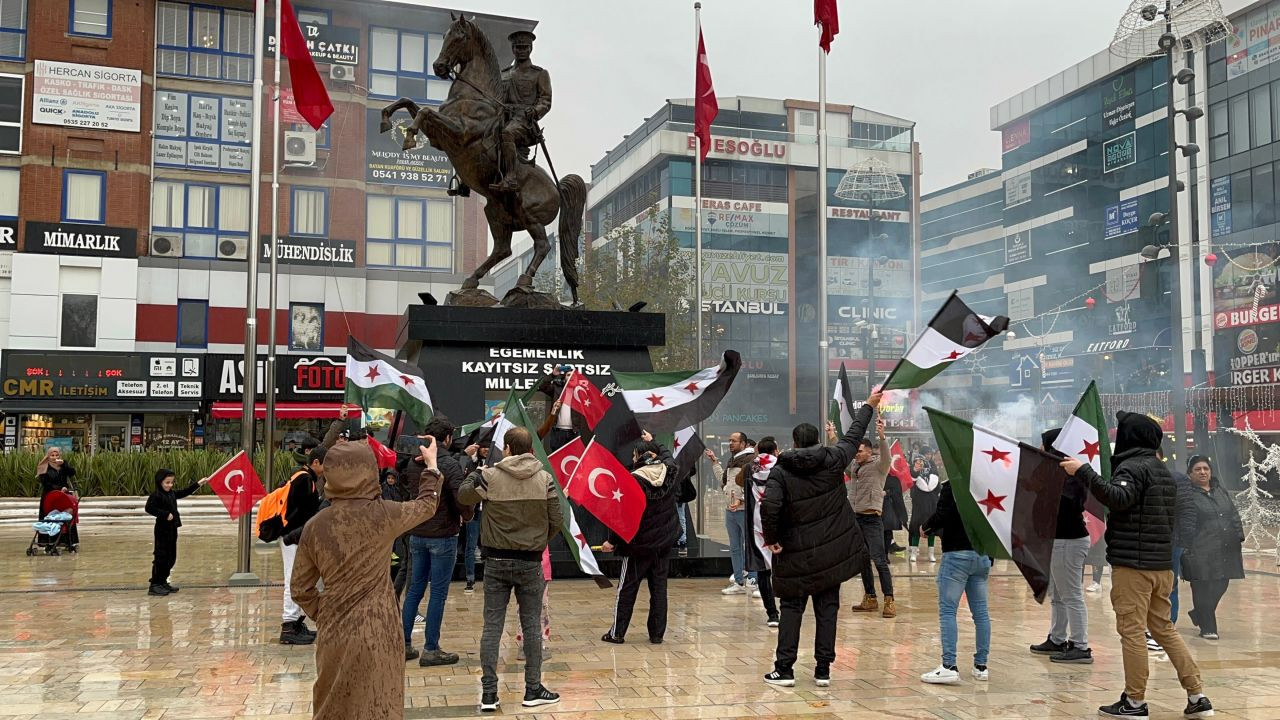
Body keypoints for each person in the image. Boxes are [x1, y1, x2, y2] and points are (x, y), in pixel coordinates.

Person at [1061, 411, 1214, 719]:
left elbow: (1118, 497)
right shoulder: (1161, 469)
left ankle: (1134, 703)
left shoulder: (1131, 467)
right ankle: (1197, 695)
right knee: (1163, 628)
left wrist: (1084, 471)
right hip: (1161, 566)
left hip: (1134, 566)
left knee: (1132, 632)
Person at [290, 438, 444, 720]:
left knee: (333, 703)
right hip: (380, 627)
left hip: (334, 629)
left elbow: (300, 588)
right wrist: (431, 468)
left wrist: (324, 614)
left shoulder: (315, 526)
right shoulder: (385, 514)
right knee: (379, 701)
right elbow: (426, 506)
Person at [760, 394, 876, 688]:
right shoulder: (833, 460)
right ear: (815, 442)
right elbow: (853, 435)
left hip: (794, 552)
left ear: (795, 443)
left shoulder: (781, 471)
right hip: (830, 553)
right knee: (828, 609)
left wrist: (772, 539)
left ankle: (784, 669)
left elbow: (769, 507)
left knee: (791, 609)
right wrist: (869, 406)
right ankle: (823, 669)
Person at [458, 426, 562, 712]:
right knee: (531, 627)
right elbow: (557, 520)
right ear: (531, 451)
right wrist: (538, 541)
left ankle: (489, 694)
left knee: (492, 626)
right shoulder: (544, 479)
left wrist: (477, 471)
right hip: (530, 562)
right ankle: (532, 690)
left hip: (495, 561)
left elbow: (464, 496)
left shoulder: (490, 477)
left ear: (506, 448)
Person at [402, 416, 475, 666]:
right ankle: (431, 649)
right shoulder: (450, 464)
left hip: (417, 532)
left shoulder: (414, 464)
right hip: (443, 535)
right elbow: (460, 498)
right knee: (438, 593)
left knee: (414, 589)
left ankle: (404, 643)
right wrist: (468, 516)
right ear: (447, 439)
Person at [601, 431, 680, 644]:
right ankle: (656, 634)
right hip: (663, 543)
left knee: (627, 588)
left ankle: (617, 633)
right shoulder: (670, 472)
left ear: (640, 457)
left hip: (638, 545)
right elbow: (668, 458)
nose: (633, 459)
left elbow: (623, 515)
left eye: (635, 455)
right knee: (659, 589)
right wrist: (653, 442)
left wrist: (612, 541)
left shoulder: (632, 481)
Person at [918, 474, 992, 685]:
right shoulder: (987, 483)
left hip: (956, 555)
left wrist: (926, 527)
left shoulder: (953, 486)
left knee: (948, 611)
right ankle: (981, 666)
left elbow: (943, 514)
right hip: (981, 555)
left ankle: (949, 665)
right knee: (981, 614)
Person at [1029, 428, 1093, 664]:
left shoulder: (1072, 475)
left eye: (1044, 446)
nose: (1041, 450)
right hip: (1057, 539)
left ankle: (1080, 645)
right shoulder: (1053, 473)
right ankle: (1057, 638)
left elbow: (1065, 503)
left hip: (1070, 539)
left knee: (1072, 595)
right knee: (1057, 594)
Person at [1179, 455, 1245, 641]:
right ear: (1190, 473)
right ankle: (1208, 627)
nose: (1202, 472)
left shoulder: (1219, 491)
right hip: (1198, 549)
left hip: (1224, 548)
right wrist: (1185, 546)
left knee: (1221, 583)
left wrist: (1239, 535)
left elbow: (1233, 514)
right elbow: (1185, 522)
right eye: (1197, 469)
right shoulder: (1187, 495)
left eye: (1205, 469)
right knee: (1202, 587)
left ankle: (1199, 613)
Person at [835, 416, 895, 618]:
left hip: (871, 519)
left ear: (869, 451)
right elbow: (842, 462)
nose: (856, 455)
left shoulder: (880, 466)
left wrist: (882, 436)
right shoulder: (855, 467)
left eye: (859, 451)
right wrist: (834, 437)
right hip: (855, 518)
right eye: (855, 452)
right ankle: (870, 597)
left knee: (879, 560)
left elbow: (887, 456)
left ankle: (889, 599)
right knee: (862, 560)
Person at [491, 30, 552, 194]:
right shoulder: (503, 74)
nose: (521, 50)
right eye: (518, 47)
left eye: (524, 47)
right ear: (513, 49)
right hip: (504, 119)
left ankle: (510, 177)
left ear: (530, 48)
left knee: (507, 134)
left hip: (525, 123)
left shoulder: (539, 74)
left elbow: (545, 101)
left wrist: (534, 112)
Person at [279, 445, 326, 645]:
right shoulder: (304, 479)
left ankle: (297, 621)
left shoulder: (306, 478)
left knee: (300, 577)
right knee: (293, 578)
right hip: (292, 537)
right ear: (315, 462)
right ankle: (289, 625)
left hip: (295, 536)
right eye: (326, 465)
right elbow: (300, 512)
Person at [144, 469, 208, 596]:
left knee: (170, 557)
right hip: (162, 529)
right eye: (167, 483)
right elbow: (149, 508)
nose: (170, 485)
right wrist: (165, 514)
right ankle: (155, 584)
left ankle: (163, 581)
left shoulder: (171, 494)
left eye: (171, 482)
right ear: (160, 482)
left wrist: (198, 484)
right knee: (161, 556)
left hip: (172, 528)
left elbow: (184, 492)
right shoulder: (156, 495)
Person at [707, 432, 757, 595]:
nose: (730, 443)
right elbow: (724, 482)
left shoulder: (750, 461)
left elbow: (753, 486)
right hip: (731, 510)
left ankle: (753, 579)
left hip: (744, 510)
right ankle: (739, 580)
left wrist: (741, 500)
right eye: (729, 441)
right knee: (735, 547)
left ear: (743, 443)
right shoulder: (732, 462)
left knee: (750, 545)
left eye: (734, 441)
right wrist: (715, 462)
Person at [745, 437, 781, 627]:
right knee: (782, 566)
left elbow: (736, 480)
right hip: (780, 521)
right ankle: (787, 607)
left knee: (763, 569)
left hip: (758, 523)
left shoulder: (751, 467)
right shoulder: (782, 466)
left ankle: (772, 614)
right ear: (776, 450)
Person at [36, 448, 78, 549]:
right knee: (50, 517)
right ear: (48, 456)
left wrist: (64, 464)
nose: (55, 458)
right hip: (50, 496)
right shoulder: (44, 466)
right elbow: (45, 483)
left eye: (57, 455)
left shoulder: (63, 465)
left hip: (63, 496)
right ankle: (48, 542)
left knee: (65, 516)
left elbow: (72, 473)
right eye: (52, 455)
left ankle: (67, 541)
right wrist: (59, 488)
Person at [907, 454, 940, 563]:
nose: (920, 463)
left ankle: (931, 554)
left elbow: (938, 488)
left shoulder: (933, 473)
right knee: (917, 527)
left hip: (931, 505)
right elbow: (912, 480)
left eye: (921, 461)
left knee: (932, 529)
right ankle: (913, 553)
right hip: (919, 506)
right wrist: (915, 470)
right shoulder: (913, 472)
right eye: (917, 461)